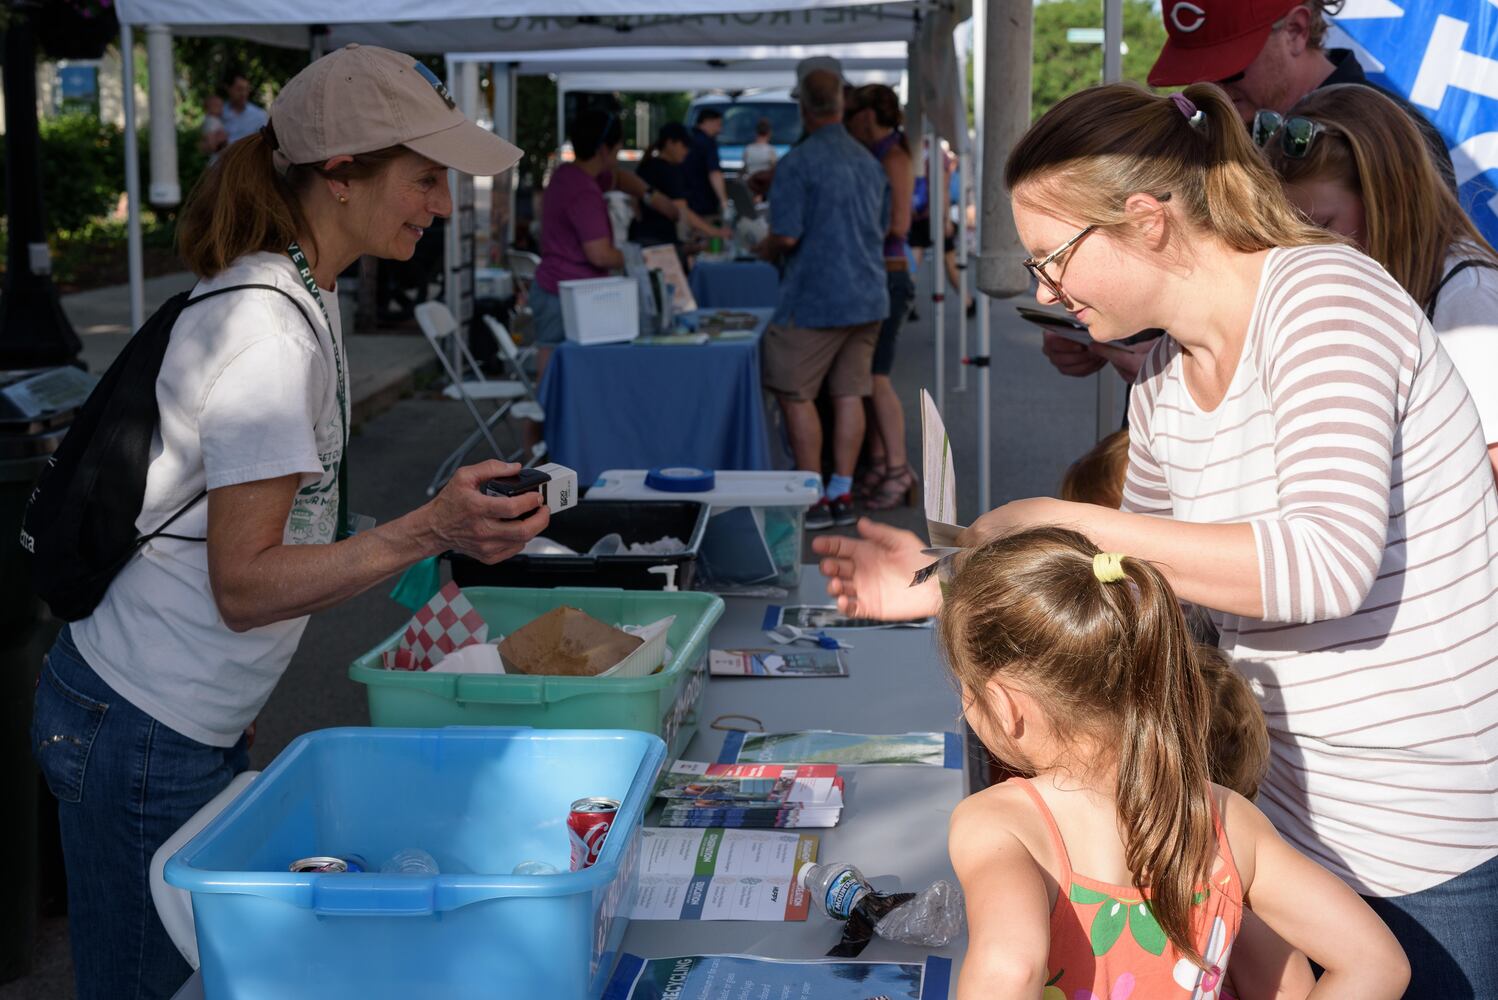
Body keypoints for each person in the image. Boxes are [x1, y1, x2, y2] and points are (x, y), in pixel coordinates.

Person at [815, 82, 1498, 994]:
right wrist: (960, 579)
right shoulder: (1169, 377)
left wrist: (1063, 519)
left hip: (1412, 832)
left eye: (1053, 258)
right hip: (1281, 804)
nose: (1045, 290)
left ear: (1146, 221)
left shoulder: (1324, 298)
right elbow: (1133, 585)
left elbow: (1326, 565)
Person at [28, 44, 551, 1000]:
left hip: (171, 711)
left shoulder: (302, 294)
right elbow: (243, 584)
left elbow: (270, 542)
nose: (440, 204)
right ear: (342, 175)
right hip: (146, 722)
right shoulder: (271, 331)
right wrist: (430, 529)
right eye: (424, 177)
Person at [941, 528, 1408, 1000]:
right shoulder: (1229, 821)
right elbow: (1375, 963)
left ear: (1004, 705)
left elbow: (1011, 968)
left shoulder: (1000, 824)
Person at [1042, 0, 1460, 381]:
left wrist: (1201, 353)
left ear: (1297, 30)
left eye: (1230, 69)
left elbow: (1402, 305)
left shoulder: (1386, 137)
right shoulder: (1211, 131)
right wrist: (1115, 328)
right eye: (1197, 73)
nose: (1215, 92)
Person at [1261, 84, 1498, 486]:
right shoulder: (1376, 288)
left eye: (1322, 225)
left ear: (1387, 199)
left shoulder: (1467, 295)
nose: (1304, 248)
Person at [757, 69, 889, 531]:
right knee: (850, 392)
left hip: (816, 298)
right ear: (839, 102)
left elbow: (787, 236)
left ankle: (812, 494)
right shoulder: (869, 161)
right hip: (868, 294)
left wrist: (765, 246)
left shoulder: (798, 163)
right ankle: (842, 490)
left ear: (802, 108)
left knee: (797, 393)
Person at [532, 110, 679, 359]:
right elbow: (600, 255)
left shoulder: (569, 174)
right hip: (567, 297)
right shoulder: (584, 192)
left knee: (557, 364)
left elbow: (619, 178)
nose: (619, 153)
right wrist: (640, 257)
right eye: (618, 147)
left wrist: (650, 196)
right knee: (558, 366)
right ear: (604, 149)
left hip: (556, 289)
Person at [844, 83, 916, 510]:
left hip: (889, 275)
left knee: (876, 378)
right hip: (875, 275)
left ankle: (898, 467)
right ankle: (880, 462)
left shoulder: (893, 157)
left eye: (852, 116)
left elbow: (900, 223)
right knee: (865, 376)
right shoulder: (879, 154)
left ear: (867, 116)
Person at [629, 122, 729, 251]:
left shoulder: (646, 166)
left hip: (640, 238)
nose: (687, 151)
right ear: (670, 143)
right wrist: (714, 232)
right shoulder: (669, 171)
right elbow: (682, 210)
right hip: (661, 242)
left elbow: (635, 205)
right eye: (684, 145)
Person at [682, 106, 727, 220]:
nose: (719, 130)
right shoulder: (707, 143)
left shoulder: (686, 139)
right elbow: (714, 173)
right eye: (718, 125)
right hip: (703, 204)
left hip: (685, 201)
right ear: (707, 122)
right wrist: (724, 201)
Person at [219, 71, 268, 146]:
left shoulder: (259, 116)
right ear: (228, 89)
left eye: (246, 89)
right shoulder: (219, 112)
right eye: (239, 89)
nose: (244, 93)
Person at [200, 92, 228, 161]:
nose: (220, 108)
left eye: (221, 106)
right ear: (207, 109)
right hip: (217, 157)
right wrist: (215, 144)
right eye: (216, 106)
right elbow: (210, 138)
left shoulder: (215, 119)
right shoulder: (211, 121)